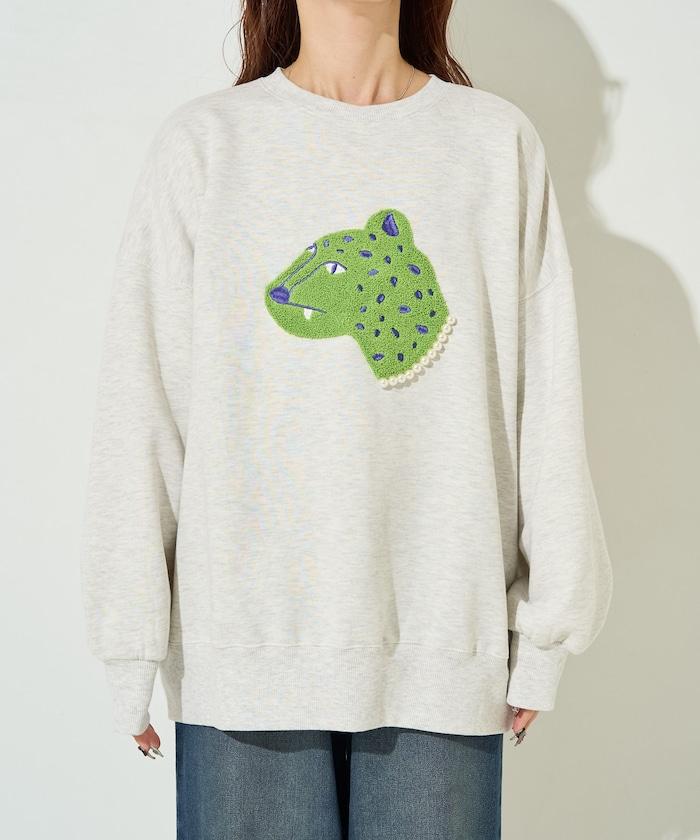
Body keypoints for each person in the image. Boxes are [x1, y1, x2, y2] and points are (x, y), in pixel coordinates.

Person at [78, 1, 614, 837]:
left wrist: (546, 631)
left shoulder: (492, 143)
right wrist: (129, 637)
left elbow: (543, 404)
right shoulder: (208, 145)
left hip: (440, 653)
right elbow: (143, 404)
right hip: (244, 658)